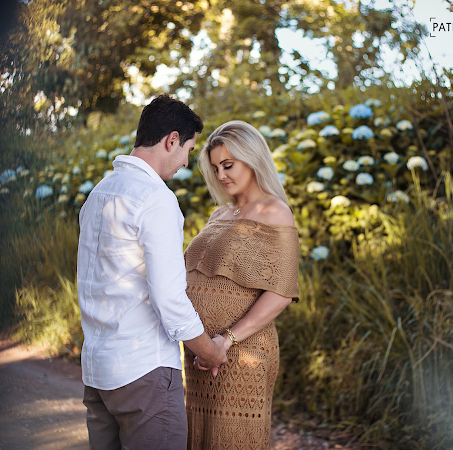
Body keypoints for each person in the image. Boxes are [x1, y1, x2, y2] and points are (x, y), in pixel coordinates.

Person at [76, 95, 228, 450]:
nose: (186, 163)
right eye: (188, 149)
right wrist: (208, 351)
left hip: (98, 374)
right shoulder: (155, 198)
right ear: (171, 140)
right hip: (142, 373)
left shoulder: (99, 194)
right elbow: (169, 299)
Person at [182, 120, 300, 449]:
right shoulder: (220, 214)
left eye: (228, 165)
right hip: (202, 353)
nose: (221, 175)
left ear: (252, 158)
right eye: (216, 167)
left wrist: (226, 340)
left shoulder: (275, 212)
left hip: (241, 351)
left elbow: (280, 292)